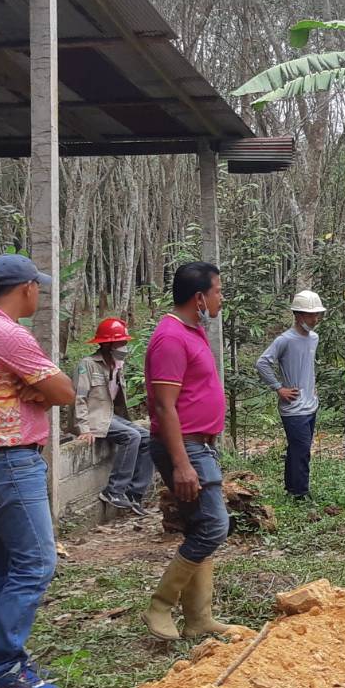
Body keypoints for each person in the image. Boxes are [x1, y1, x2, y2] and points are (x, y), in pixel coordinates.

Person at [0, 254, 75, 688]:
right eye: (37, 286)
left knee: (1, 566)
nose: (39, 293)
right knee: (37, 562)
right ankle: (5, 668)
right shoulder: (8, 334)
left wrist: (31, 391)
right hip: (9, 462)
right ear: (25, 288)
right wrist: (39, 391)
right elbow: (63, 391)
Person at [142, 262, 248, 642]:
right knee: (215, 526)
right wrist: (182, 463)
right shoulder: (171, 338)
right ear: (199, 297)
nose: (222, 298)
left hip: (199, 443)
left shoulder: (192, 331)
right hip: (184, 446)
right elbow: (165, 407)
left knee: (203, 526)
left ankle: (199, 618)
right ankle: (160, 605)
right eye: (218, 291)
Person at [73, 317, 152, 516]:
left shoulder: (117, 366)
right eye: (120, 343)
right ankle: (114, 490)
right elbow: (79, 397)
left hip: (111, 417)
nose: (124, 347)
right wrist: (83, 428)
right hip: (95, 419)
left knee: (147, 437)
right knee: (132, 437)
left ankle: (134, 494)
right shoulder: (88, 365)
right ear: (108, 345)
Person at [256, 290, 325, 500]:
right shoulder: (284, 340)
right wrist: (278, 387)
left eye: (316, 315)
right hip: (293, 408)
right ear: (297, 315)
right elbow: (262, 363)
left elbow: (306, 367)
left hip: (310, 404)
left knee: (299, 449)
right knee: (301, 450)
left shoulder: (314, 338)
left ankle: (292, 488)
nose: (314, 319)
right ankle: (300, 492)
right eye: (310, 315)